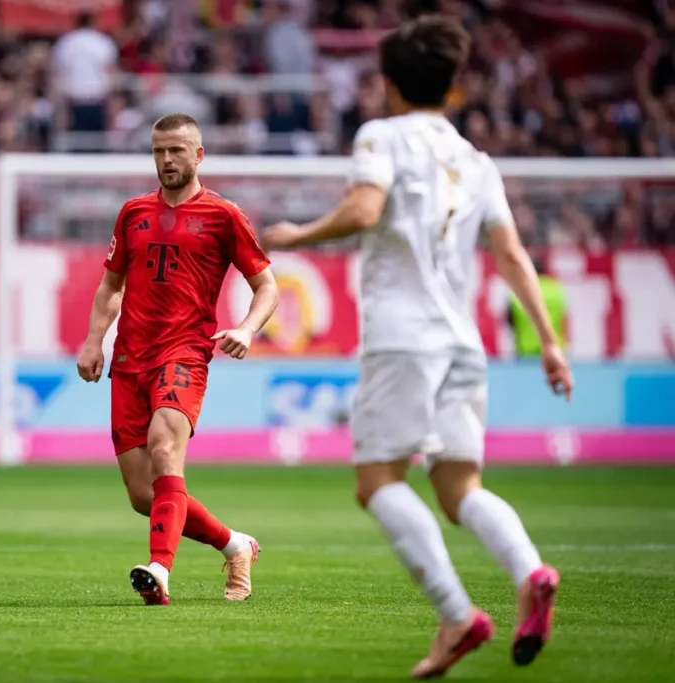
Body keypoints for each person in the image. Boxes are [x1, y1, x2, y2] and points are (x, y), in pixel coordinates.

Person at [260, 15, 574, 679]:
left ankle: (457, 614)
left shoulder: (381, 135)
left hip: (403, 338)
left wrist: (294, 236)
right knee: (459, 488)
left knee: (377, 482)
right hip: (462, 342)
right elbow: (511, 254)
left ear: (390, 84)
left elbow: (364, 211)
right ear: (452, 86)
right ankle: (529, 572)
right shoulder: (476, 160)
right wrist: (550, 342)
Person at [77, 113, 279, 605]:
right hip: (130, 358)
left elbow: (267, 286)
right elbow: (111, 285)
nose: (166, 160)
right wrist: (93, 340)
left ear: (198, 155)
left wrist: (247, 329)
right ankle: (235, 545)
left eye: (176, 151)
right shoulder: (133, 213)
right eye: (159, 151)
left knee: (165, 446)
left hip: (184, 352)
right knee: (143, 496)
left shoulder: (224, 215)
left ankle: (159, 571)